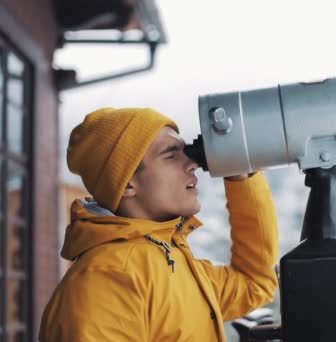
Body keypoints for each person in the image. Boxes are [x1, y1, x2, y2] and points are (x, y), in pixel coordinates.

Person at [39, 107, 279, 341]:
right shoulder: (108, 279)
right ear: (128, 184)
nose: (192, 164)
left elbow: (254, 283)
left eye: (188, 153)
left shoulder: (171, 263)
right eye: (171, 156)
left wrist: (242, 179)